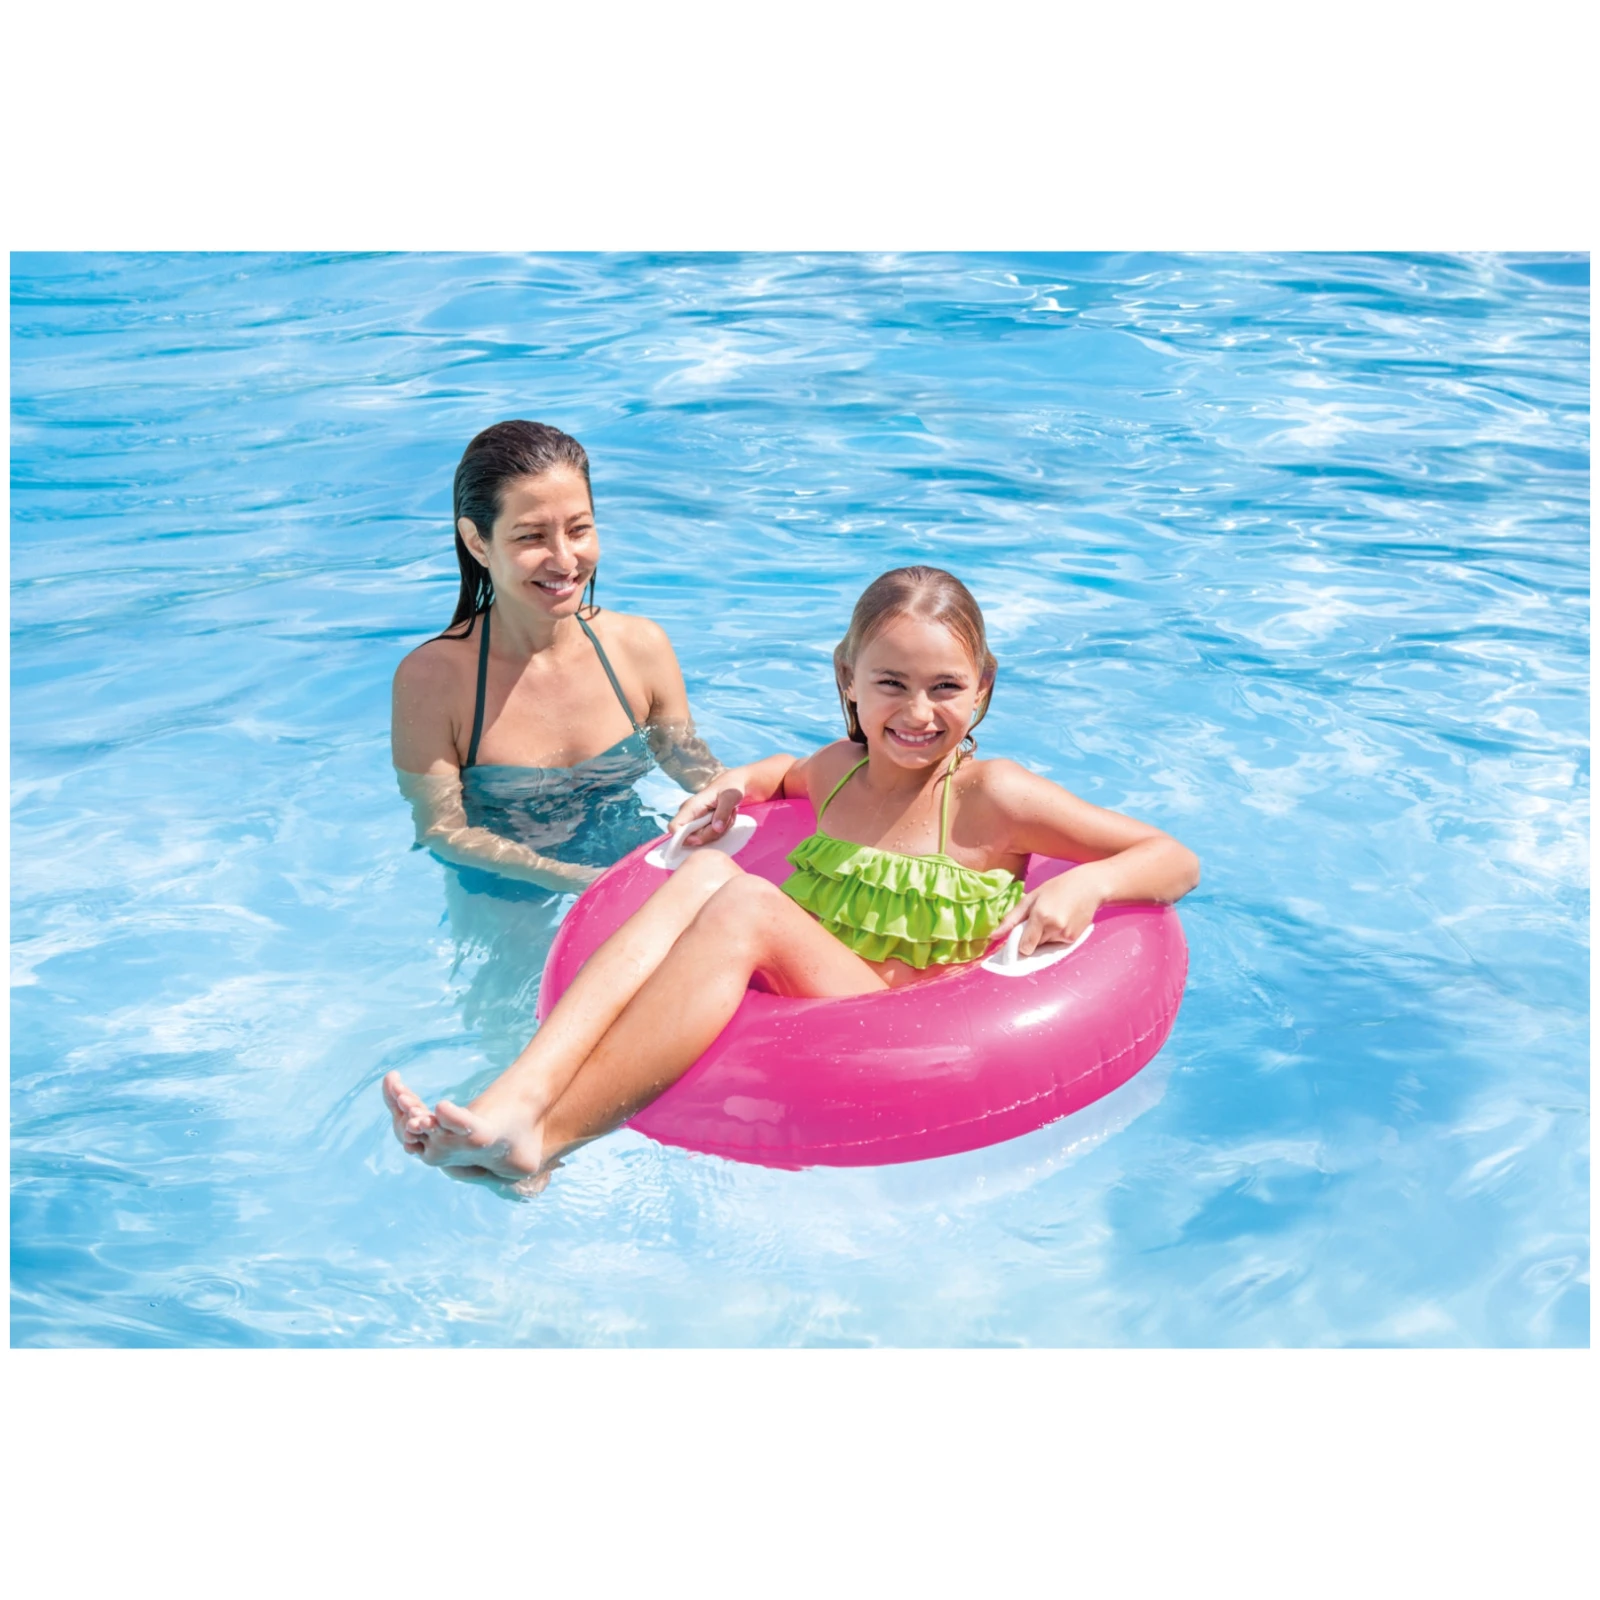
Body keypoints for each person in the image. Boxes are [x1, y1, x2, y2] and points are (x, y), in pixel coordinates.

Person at [383, 565, 1201, 1191]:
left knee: (742, 901)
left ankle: (549, 1141)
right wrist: (731, 786)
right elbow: (781, 774)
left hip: (900, 1023)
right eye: (891, 684)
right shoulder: (840, 773)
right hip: (816, 990)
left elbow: (1173, 858)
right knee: (707, 871)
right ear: (848, 678)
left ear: (983, 687)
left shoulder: (995, 797)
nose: (918, 714)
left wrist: (1086, 886)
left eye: (947, 688)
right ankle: (515, 1097)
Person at [391, 419, 738, 896]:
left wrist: (727, 796)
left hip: (632, 854)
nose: (565, 560)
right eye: (531, 537)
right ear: (477, 542)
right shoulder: (434, 680)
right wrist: (578, 881)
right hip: (507, 884)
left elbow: (684, 757)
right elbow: (443, 830)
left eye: (578, 530)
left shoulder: (639, 647)